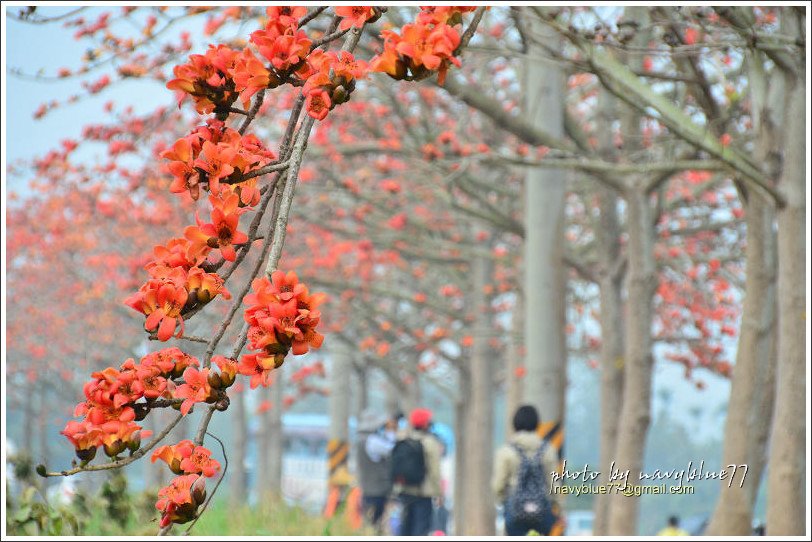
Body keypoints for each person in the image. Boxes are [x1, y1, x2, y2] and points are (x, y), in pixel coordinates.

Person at [492, 405, 562, 536]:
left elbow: (498, 485)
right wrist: (558, 507)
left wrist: (503, 501)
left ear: (515, 424)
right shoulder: (548, 451)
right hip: (542, 513)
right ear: (537, 424)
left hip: (514, 511)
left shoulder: (506, 452)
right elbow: (554, 484)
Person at [392, 407, 443, 536]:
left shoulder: (402, 439)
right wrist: (439, 493)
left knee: (405, 527)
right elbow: (435, 471)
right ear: (426, 423)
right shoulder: (430, 442)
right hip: (423, 493)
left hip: (404, 491)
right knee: (421, 529)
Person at [356, 409, 396, 534]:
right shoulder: (372, 440)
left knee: (368, 521)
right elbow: (392, 449)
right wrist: (391, 432)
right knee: (376, 523)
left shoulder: (360, 439)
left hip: (367, 487)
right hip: (378, 489)